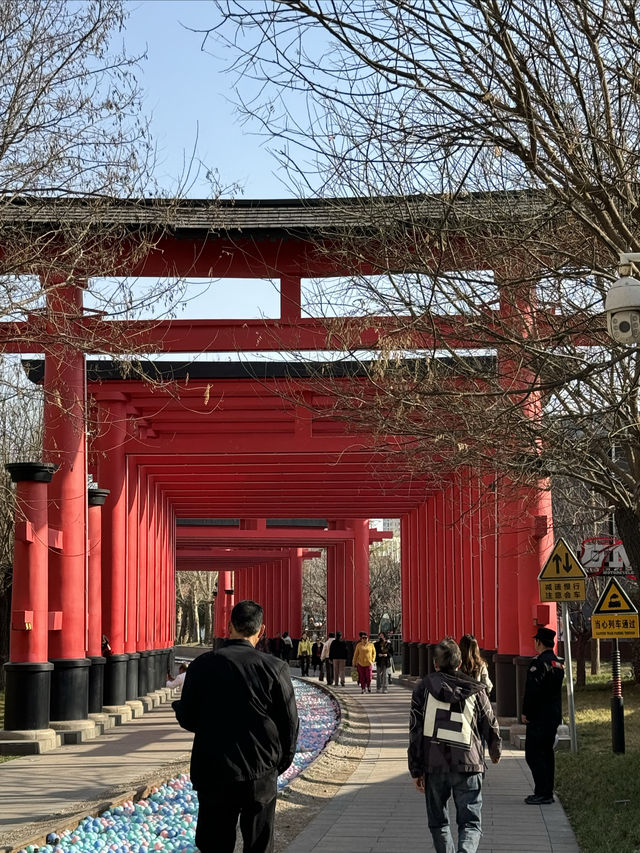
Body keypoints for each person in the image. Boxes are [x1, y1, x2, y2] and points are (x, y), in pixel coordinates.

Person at [173, 600, 299, 853]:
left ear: (229, 626)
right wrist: (279, 763)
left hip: (213, 767)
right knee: (259, 844)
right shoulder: (275, 668)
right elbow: (289, 723)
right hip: (260, 769)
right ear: (261, 630)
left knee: (214, 844)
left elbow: (187, 718)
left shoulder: (201, 665)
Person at [408, 637, 501, 853]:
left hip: (434, 764)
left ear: (435, 664)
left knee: (439, 823)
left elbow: (415, 732)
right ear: (459, 664)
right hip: (469, 763)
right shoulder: (476, 690)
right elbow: (491, 723)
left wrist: (415, 768)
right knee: (470, 823)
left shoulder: (422, 689)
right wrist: (495, 750)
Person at [521, 626, 565, 805]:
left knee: (533, 754)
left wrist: (526, 712)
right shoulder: (557, 663)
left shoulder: (538, 664)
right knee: (547, 753)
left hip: (539, 716)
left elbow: (533, 691)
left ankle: (542, 792)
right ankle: (547, 791)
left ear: (539, 642)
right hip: (553, 715)